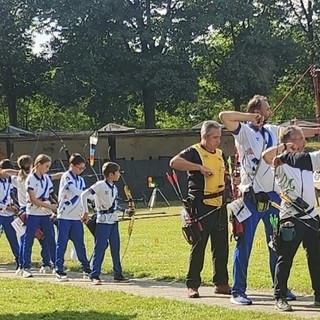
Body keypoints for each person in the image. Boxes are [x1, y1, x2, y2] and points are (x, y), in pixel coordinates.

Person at [219, 95, 319, 305]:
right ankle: (238, 291)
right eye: (267, 108)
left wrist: (316, 130)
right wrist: (250, 117)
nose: (270, 111)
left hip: (274, 197)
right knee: (244, 244)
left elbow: (300, 133)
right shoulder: (244, 131)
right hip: (251, 196)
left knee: (279, 245)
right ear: (257, 110)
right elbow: (224, 116)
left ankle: (280, 288)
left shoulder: (273, 129)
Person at [169, 120, 230, 298]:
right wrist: (199, 168)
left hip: (219, 204)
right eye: (214, 137)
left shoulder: (220, 153)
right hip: (200, 206)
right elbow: (174, 162)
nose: (218, 141)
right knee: (199, 244)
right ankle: (192, 284)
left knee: (221, 246)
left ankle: (221, 282)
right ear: (204, 137)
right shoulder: (194, 151)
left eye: (219, 137)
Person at [262, 125, 320, 311]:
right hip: (291, 216)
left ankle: (318, 295)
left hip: (311, 214)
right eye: (300, 138)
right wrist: (283, 148)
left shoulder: (304, 160)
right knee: (285, 257)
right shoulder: (280, 161)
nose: (304, 141)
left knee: (316, 256)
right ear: (290, 141)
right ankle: (280, 296)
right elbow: (266, 157)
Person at [80, 161, 134, 285]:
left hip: (113, 221)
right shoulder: (100, 185)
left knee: (115, 249)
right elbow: (84, 195)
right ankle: (94, 275)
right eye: (117, 172)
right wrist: (86, 212)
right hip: (103, 222)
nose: (119, 174)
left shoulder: (114, 188)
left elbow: (113, 205)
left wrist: (125, 211)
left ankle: (118, 274)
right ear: (110, 174)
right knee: (99, 248)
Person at [55, 153, 91, 281]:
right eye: (79, 168)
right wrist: (90, 195)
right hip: (64, 215)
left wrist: (85, 209)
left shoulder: (81, 180)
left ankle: (86, 268)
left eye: (83, 168)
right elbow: (76, 192)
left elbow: (83, 198)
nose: (81, 171)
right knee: (62, 243)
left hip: (76, 217)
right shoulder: (66, 177)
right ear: (72, 166)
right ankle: (59, 269)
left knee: (79, 243)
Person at [22, 154, 58, 278]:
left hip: (45, 213)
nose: (47, 169)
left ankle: (56, 265)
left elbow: (52, 194)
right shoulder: (30, 179)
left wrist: (57, 206)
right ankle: (25, 267)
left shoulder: (47, 178)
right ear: (39, 165)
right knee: (29, 239)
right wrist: (50, 206)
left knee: (51, 239)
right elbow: (33, 199)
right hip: (33, 213)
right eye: (46, 166)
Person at [0, 159, 19, 269]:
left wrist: (13, 205)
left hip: (8, 214)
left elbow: (9, 196)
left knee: (13, 237)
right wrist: (6, 207)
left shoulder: (9, 182)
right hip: (1, 211)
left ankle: (18, 259)